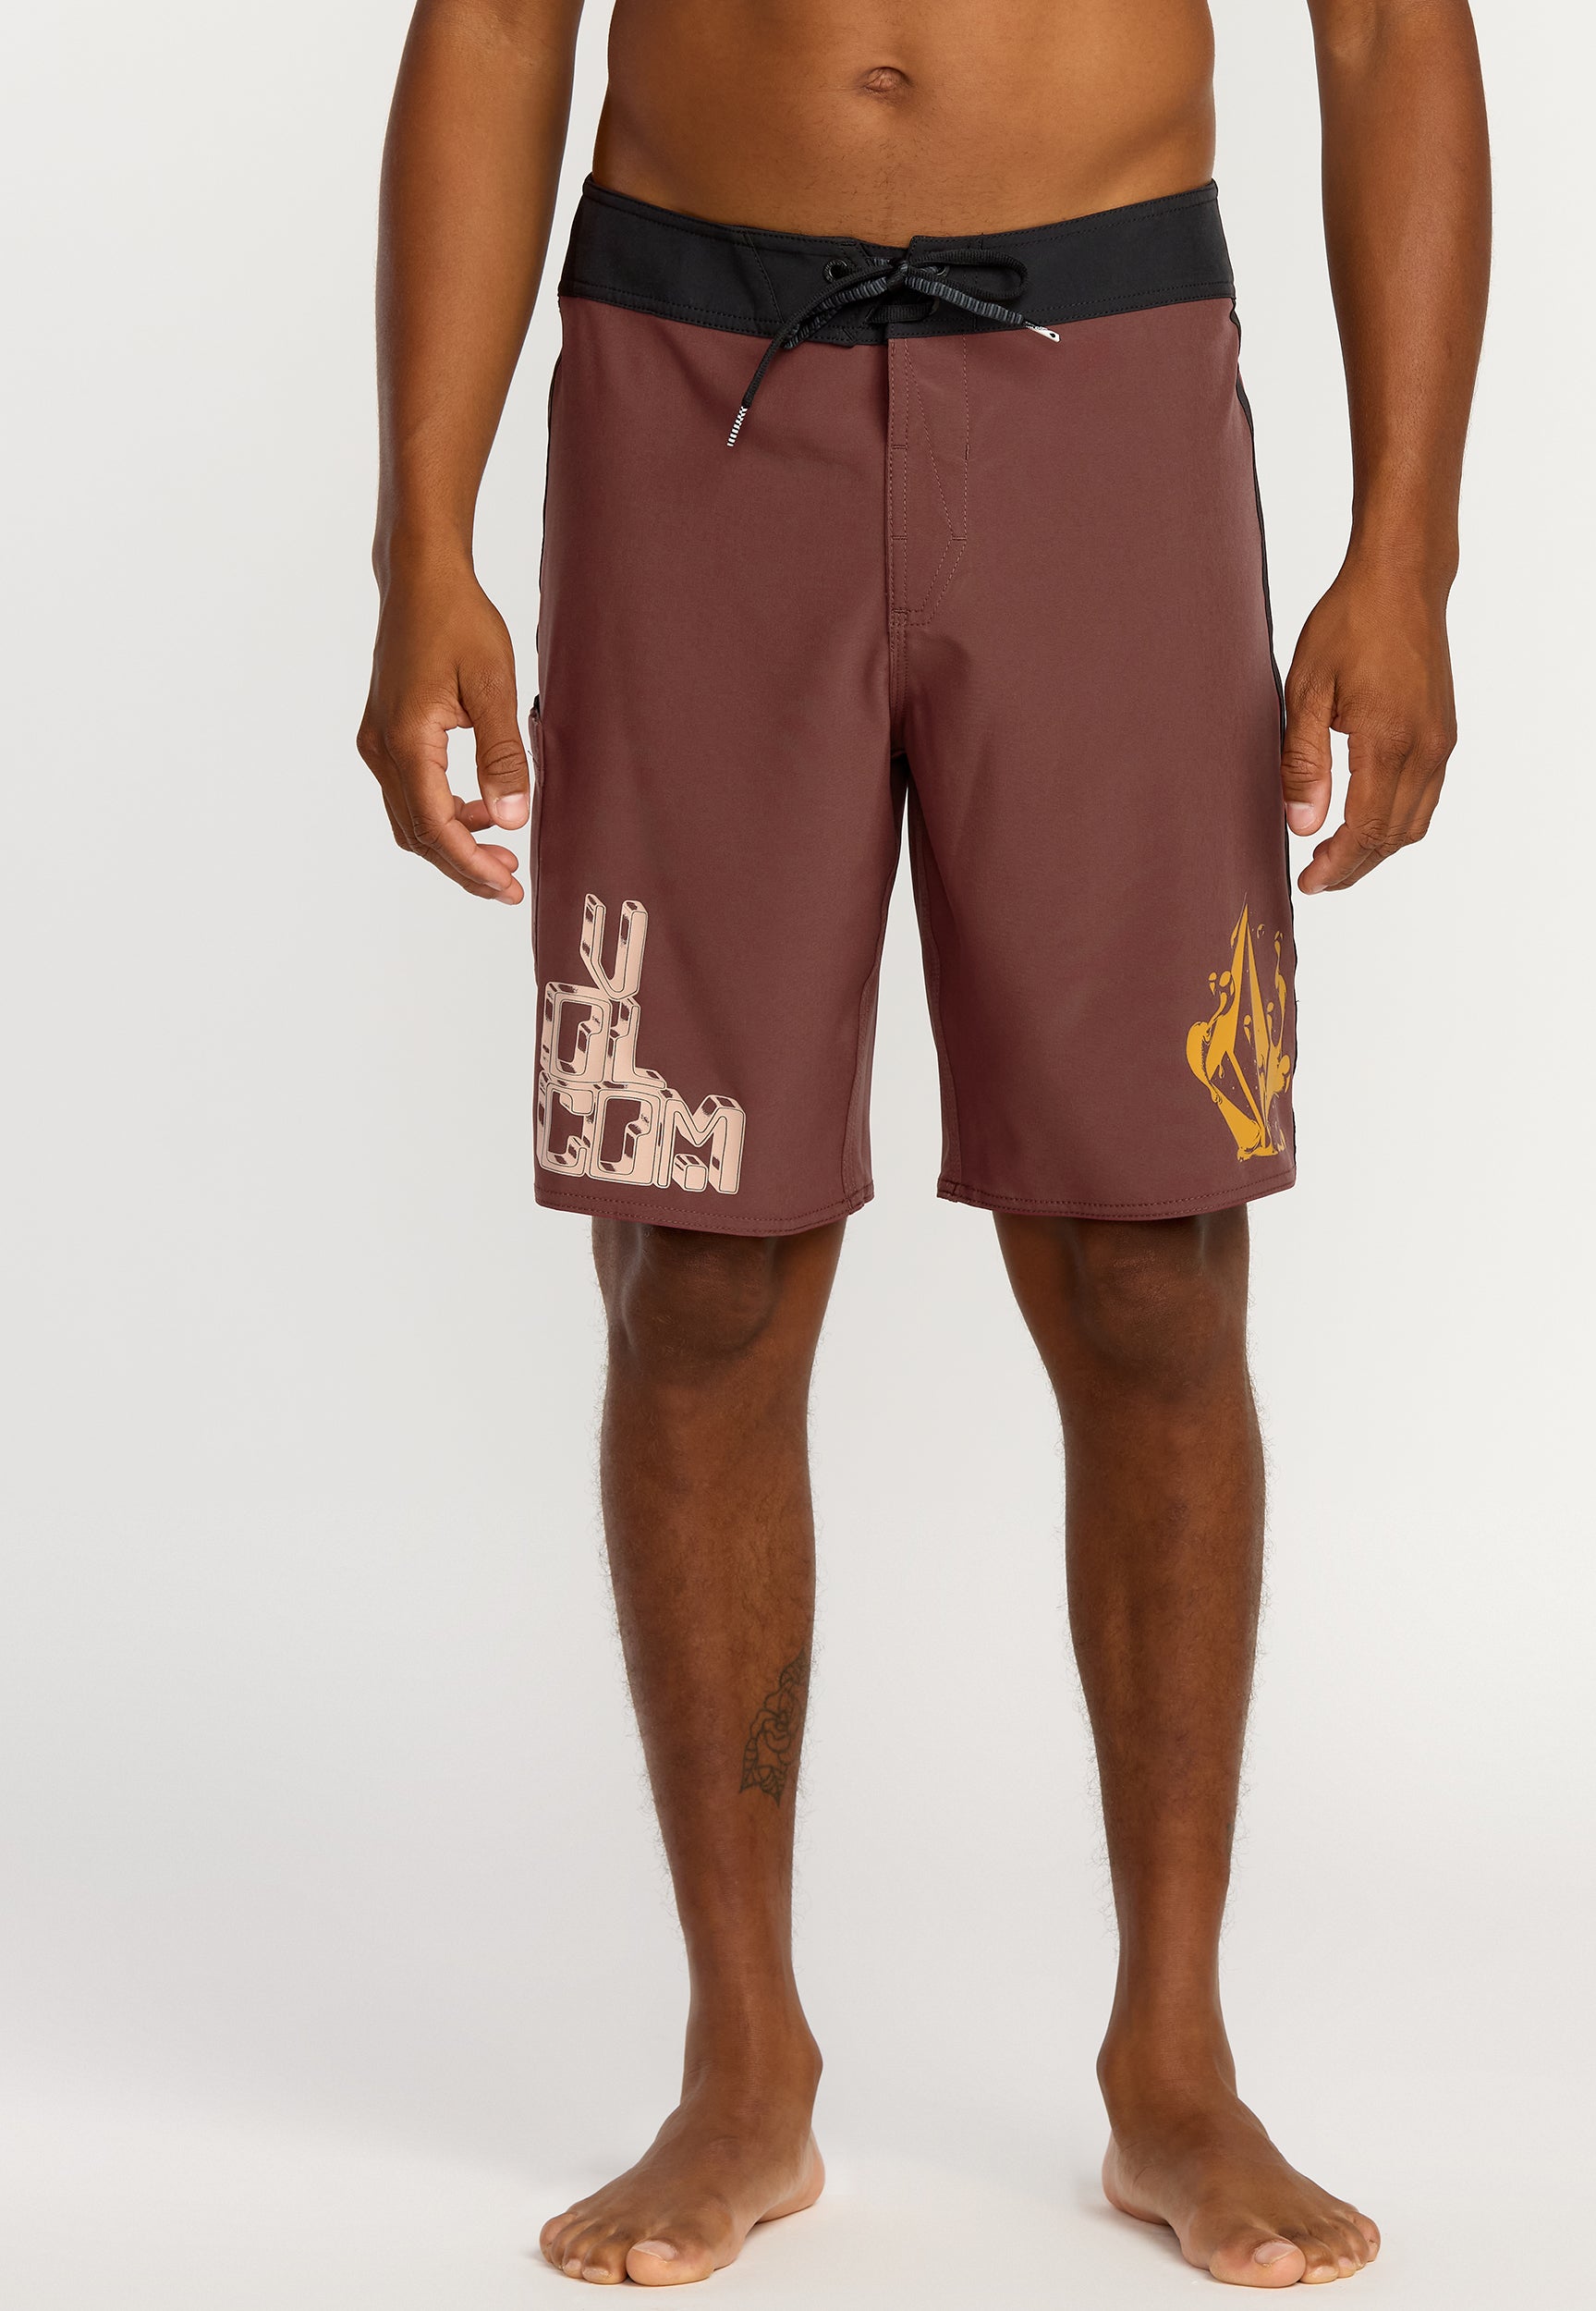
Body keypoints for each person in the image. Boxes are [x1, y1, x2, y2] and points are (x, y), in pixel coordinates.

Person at [357, 0, 1489, 2285]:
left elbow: (1388, 33)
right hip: (687, 384)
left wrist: (1406, 552)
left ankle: (1174, 2059)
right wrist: (420, 543)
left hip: (1106, 376)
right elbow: (490, 22)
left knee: (1151, 1251)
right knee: (696, 1258)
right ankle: (741, 2058)